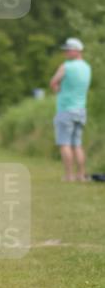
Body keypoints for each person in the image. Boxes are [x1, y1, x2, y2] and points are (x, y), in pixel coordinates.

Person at [50, 37, 92, 182]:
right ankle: (81, 174)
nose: (66, 53)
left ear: (77, 51)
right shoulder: (87, 67)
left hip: (66, 110)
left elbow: (53, 82)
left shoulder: (66, 66)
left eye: (68, 50)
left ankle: (69, 176)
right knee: (77, 144)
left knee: (65, 143)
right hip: (81, 110)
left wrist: (57, 89)